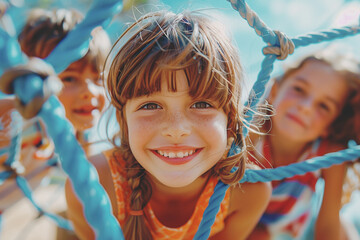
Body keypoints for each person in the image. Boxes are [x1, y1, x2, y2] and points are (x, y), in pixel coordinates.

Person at [65, 10, 272, 240]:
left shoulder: (248, 191)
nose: (176, 129)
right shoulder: (92, 186)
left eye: (201, 104)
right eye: (151, 105)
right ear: (123, 120)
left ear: (231, 120)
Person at [0, 7, 111, 239]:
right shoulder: (16, 117)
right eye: (69, 78)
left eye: (98, 79)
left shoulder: (79, 136)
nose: (89, 92)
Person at [247, 49, 360, 240]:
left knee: (346, 232)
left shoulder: (329, 153)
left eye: (324, 106)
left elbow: (328, 225)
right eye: (299, 89)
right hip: (235, 222)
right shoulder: (250, 135)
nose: (305, 107)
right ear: (275, 91)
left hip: (287, 231)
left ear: (331, 125)